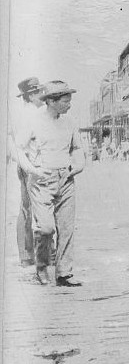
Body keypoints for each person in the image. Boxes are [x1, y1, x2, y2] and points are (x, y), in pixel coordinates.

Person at [15, 81, 86, 287]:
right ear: (52, 101)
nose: (69, 105)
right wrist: (33, 170)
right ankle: (42, 267)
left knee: (66, 228)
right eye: (66, 101)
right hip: (41, 181)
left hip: (66, 179)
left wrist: (78, 165)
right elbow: (19, 149)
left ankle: (64, 273)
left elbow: (77, 148)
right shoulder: (34, 122)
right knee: (45, 228)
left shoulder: (70, 122)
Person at [8, 77, 45, 267]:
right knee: (29, 209)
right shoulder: (30, 116)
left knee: (28, 209)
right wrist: (31, 168)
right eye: (40, 92)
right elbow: (20, 146)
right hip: (30, 165)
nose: (43, 95)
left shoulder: (26, 113)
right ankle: (28, 254)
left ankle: (29, 254)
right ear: (31, 96)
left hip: (28, 165)